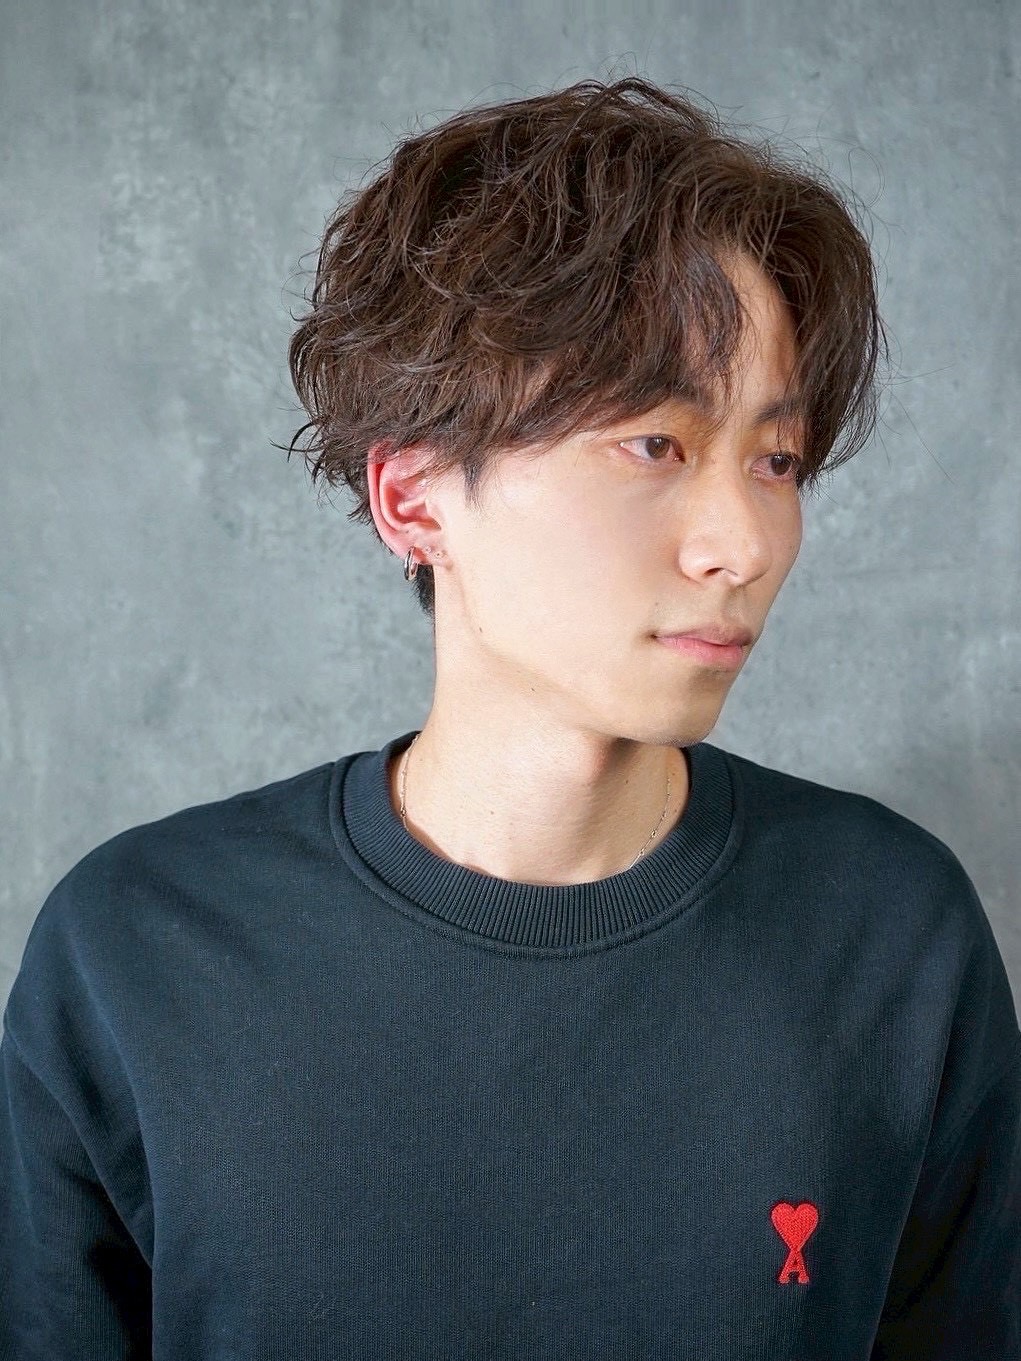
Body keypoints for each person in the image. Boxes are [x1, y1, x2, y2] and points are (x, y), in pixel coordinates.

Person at [1, 76, 1018, 1360]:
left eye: (775, 459)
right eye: (654, 444)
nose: (743, 542)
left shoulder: (891, 935)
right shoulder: (137, 949)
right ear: (414, 497)